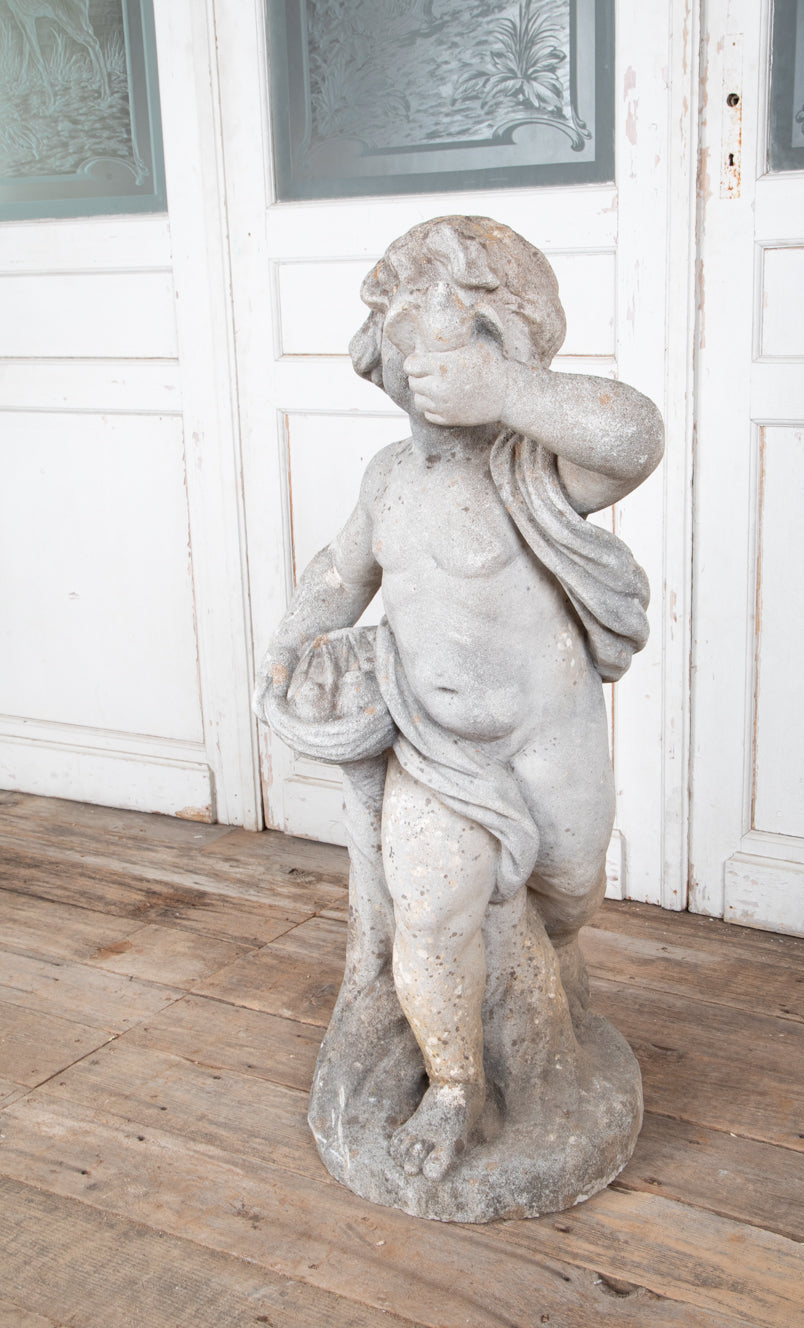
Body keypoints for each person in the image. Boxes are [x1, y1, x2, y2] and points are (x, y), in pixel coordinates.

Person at [254, 216, 663, 1183]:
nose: (428, 373)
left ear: (508, 345)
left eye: (457, 347)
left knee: (565, 899)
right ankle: (451, 1086)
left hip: (548, 739)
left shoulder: (540, 472)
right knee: (430, 912)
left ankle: (542, 1003)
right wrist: (288, 645)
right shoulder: (389, 478)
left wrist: (507, 395)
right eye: (410, 350)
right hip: (434, 743)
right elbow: (335, 572)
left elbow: (633, 434)